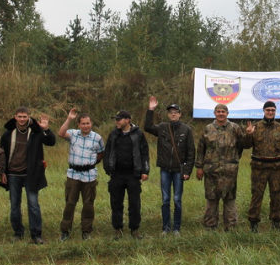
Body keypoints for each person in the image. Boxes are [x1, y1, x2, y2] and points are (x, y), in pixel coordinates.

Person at [0, 107, 56, 244]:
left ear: (29, 117)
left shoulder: (36, 133)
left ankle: (36, 234)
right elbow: (1, 154)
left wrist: (46, 129)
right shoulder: (8, 134)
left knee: (33, 204)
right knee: (14, 205)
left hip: (31, 174)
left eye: (25, 116)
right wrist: (2, 172)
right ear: (15, 117)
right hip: (13, 174)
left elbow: (51, 142)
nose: (22, 119)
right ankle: (18, 232)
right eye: (20, 116)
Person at [144, 97, 195, 236]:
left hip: (179, 170)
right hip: (165, 170)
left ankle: (176, 228)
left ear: (180, 114)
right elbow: (147, 127)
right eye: (171, 112)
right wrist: (150, 110)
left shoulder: (187, 129)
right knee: (165, 199)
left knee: (177, 200)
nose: (173, 114)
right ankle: (166, 228)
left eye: (175, 112)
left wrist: (188, 171)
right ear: (168, 114)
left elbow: (191, 152)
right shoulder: (162, 128)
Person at [196, 103, 245, 230]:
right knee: (211, 198)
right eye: (218, 111)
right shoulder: (208, 128)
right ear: (214, 113)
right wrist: (199, 167)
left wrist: (233, 159)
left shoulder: (235, 128)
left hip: (229, 172)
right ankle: (210, 226)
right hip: (211, 171)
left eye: (223, 111)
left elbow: (242, 145)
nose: (221, 113)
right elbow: (201, 149)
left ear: (227, 113)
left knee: (229, 199)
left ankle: (230, 227)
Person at [242, 101, 280, 232]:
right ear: (263, 111)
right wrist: (248, 135)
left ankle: (276, 222)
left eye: (272, 110)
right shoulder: (255, 127)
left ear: (275, 111)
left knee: (277, 195)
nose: (270, 112)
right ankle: (253, 223)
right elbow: (245, 145)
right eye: (268, 110)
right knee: (257, 195)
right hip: (259, 168)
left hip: (277, 168)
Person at [58, 109, 104, 241]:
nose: (86, 126)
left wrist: (91, 163)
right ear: (78, 125)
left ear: (91, 123)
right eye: (83, 123)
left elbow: (101, 153)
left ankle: (86, 231)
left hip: (89, 175)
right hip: (73, 175)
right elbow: (61, 133)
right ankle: (65, 231)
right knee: (70, 203)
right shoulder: (73, 134)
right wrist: (69, 119)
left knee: (88, 204)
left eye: (88, 123)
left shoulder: (97, 138)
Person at [103, 110, 149, 239]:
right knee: (116, 203)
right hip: (116, 175)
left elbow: (144, 153)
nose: (117, 121)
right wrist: (108, 168)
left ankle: (135, 230)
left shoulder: (138, 134)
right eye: (116, 119)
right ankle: (117, 229)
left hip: (133, 175)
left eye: (119, 119)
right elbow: (107, 152)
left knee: (134, 204)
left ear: (128, 120)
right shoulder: (113, 134)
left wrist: (145, 171)